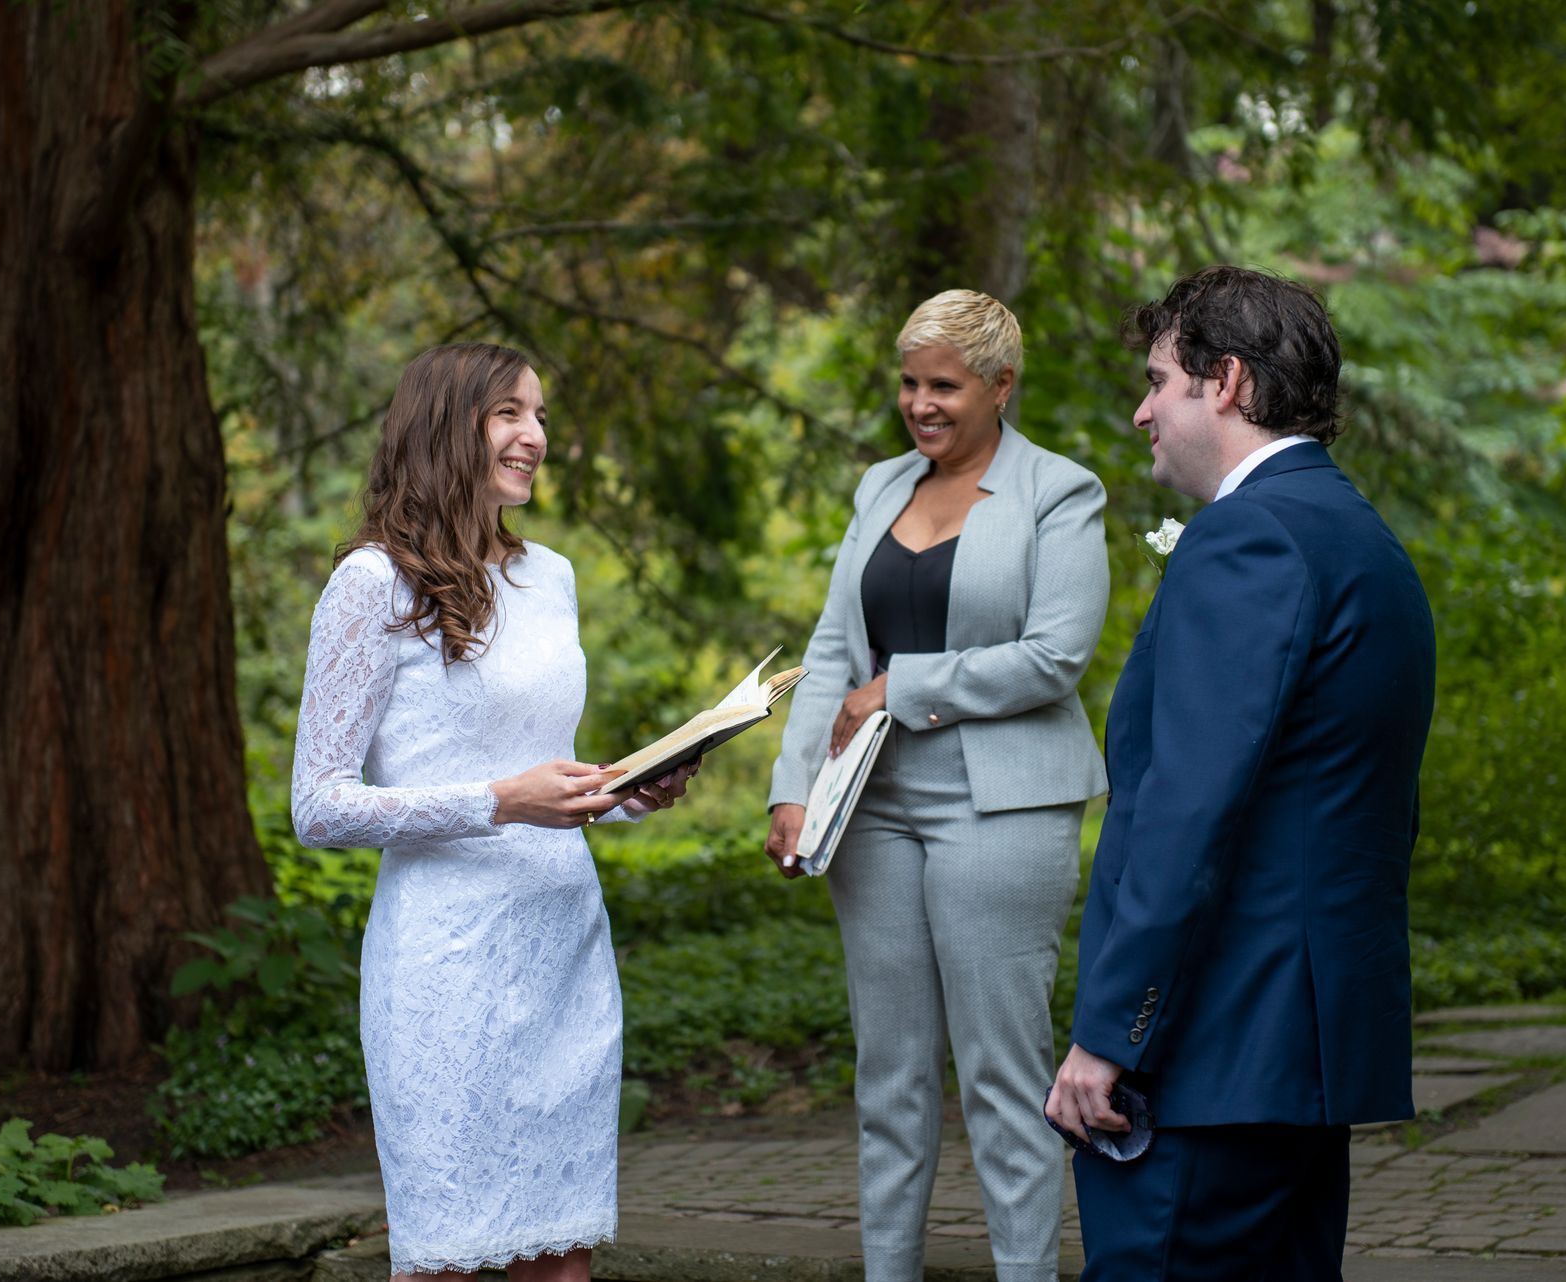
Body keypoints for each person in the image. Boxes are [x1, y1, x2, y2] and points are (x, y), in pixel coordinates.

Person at [1046, 266, 1436, 1280]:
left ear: (1224, 383)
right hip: (1305, 1056)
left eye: (1158, 380)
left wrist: (1111, 1032)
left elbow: (1188, 810)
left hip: (1213, 1054)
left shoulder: (1248, 537)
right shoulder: (1366, 542)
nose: (1142, 411)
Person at [291, 343, 696, 1282]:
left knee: (563, 1260)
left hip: (564, 946)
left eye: (542, 416)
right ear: (447, 423)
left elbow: (543, 772)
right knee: (448, 1259)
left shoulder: (549, 577)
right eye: (509, 413)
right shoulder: (370, 585)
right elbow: (319, 805)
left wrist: (625, 790)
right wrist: (498, 802)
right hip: (447, 964)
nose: (535, 436)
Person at [765, 290, 1110, 1282]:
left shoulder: (1061, 492)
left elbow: (1055, 657)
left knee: (1002, 1075)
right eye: (910, 382)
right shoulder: (880, 485)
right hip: (870, 812)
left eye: (944, 386)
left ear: (1002, 387)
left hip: (1001, 809)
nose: (920, 403)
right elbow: (834, 646)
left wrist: (900, 686)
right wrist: (793, 786)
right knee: (891, 1076)